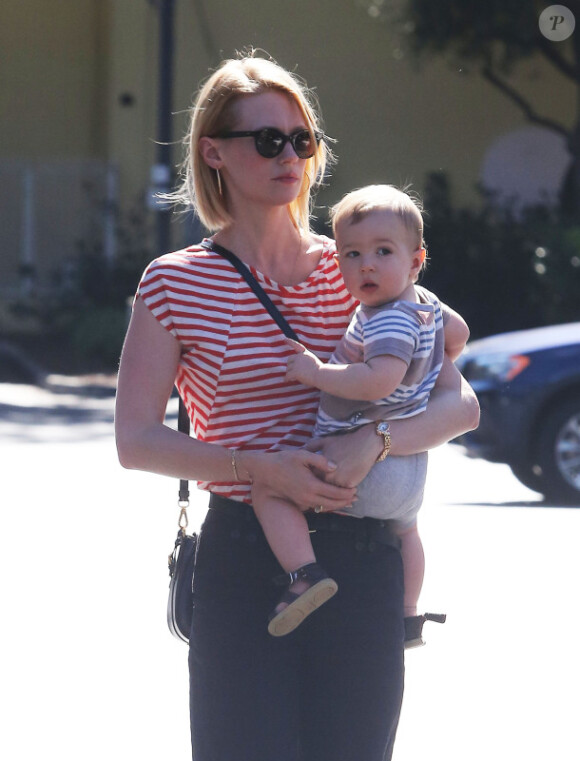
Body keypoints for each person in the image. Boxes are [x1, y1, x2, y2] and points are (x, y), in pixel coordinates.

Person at [115, 51, 479, 761]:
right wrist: (258, 466)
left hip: (366, 551)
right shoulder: (174, 283)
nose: (289, 154)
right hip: (248, 555)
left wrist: (375, 438)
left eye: (301, 138)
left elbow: (459, 403)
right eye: (268, 139)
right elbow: (135, 439)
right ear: (214, 150)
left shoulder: (363, 265)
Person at [258, 184, 469, 644]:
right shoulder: (425, 305)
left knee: (270, 489)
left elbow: (378, 381)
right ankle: (409, 616)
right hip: (408, 467)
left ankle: (305, 573)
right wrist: (434, 358)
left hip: (359, 461)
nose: (366, 264)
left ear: (416, 260)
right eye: (351, 254)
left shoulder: (387, 318)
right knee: (408, 532)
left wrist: (317, 372)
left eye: (382, 251)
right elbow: (460, 331)